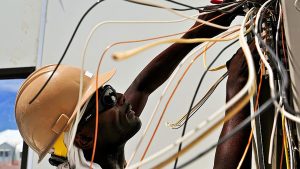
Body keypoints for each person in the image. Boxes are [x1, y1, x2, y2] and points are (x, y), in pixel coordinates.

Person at [15, 5, 253, 169]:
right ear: (84, 138)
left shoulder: (96, 149)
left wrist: (198, 32)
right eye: (107, 99)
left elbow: (142, 86)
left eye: (108, 89)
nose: (119, 95)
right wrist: (239, 91)